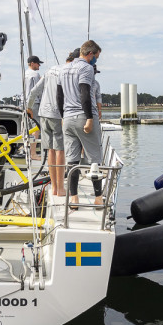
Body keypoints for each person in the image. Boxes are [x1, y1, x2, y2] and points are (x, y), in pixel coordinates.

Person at [58, 40, 103, 205]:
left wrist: (63, 116)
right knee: (94, 159)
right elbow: (84, 93)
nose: (96, 60)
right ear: (90, 54)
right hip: (83, 117)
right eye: (96, 57)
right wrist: (90, 118)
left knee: (72, 160)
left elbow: (59, 96)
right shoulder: (86, 68)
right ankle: (98, 198)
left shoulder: (63, 69)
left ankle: (73, 197)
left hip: (68, 118)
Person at [29, 49, 78, 197]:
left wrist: (29, 107)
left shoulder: (50, 70)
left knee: (50, 150)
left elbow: (34, 91)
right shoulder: (68, 72)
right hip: (58, 114)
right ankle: (61, 188)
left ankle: (55, 187)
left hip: (43, 113)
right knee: (60, 150)